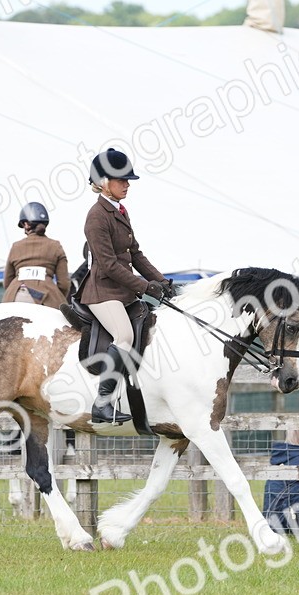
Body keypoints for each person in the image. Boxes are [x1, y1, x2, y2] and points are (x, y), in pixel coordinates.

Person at [81, 148, 172, 424]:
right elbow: (109, 265)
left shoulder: (119, 211)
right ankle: (102, 403)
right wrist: (145, 286)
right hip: (102, 292)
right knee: (124, 336)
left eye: (127, 180)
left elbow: (135, 254)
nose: (127, 184)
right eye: (121, 180)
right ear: (104, 182)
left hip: (122, 290)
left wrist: (161, 280)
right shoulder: (96, 216)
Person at [1, 202, 70, 308]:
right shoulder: (56, 246)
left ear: (26, 224)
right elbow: (64, 284)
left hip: (16, 295)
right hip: (45, 296)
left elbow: (7, 282)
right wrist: (56, 297)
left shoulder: (16, 246)